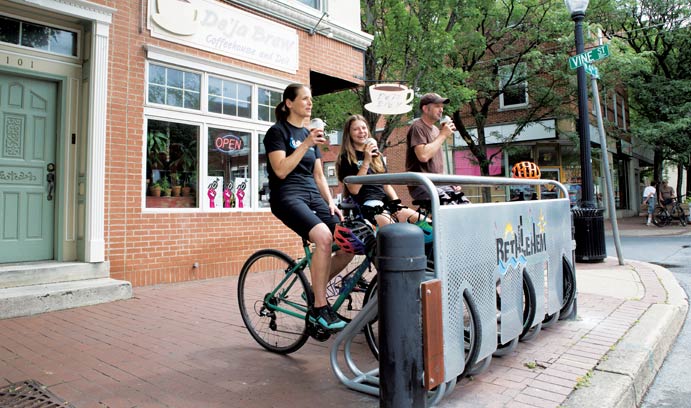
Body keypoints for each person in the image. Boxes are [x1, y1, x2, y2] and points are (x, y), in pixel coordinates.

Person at [263, 83, 352, 331]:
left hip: (313, 195)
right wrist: (306, 143)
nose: (310, 103)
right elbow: (280, 170)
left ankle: (314, 290)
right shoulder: (277, 132)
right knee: (323, 236)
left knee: (349, 242)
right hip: (287, 195)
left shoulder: (309, 135)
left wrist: (331, 204)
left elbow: (319, 176)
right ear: (289, 103)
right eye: (304, 99)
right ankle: (320, 309)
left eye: (311, 99)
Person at [336, 114, 424, 227]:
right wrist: (366, 161)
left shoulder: (377, 155)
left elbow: (386, 185)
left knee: (426, 224)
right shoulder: (346, 158)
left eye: (363, 128)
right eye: (356, 129)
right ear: (349, 134)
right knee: (396, 230)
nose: (361, 131)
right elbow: (354, 190)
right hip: (368, 204)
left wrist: (398, 204)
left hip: (386, 203)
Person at [405, 92, 461, 201]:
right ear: (425, 109)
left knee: (463, 204)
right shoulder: (417, 127)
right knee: (448, 205)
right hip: (422, 183)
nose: (441, 110)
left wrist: (449, 182)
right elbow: (423, 156)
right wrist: (443, 135)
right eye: (437, 106)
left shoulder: (436, 130)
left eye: (442, 107)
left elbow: (436, 166)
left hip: (438, 183)